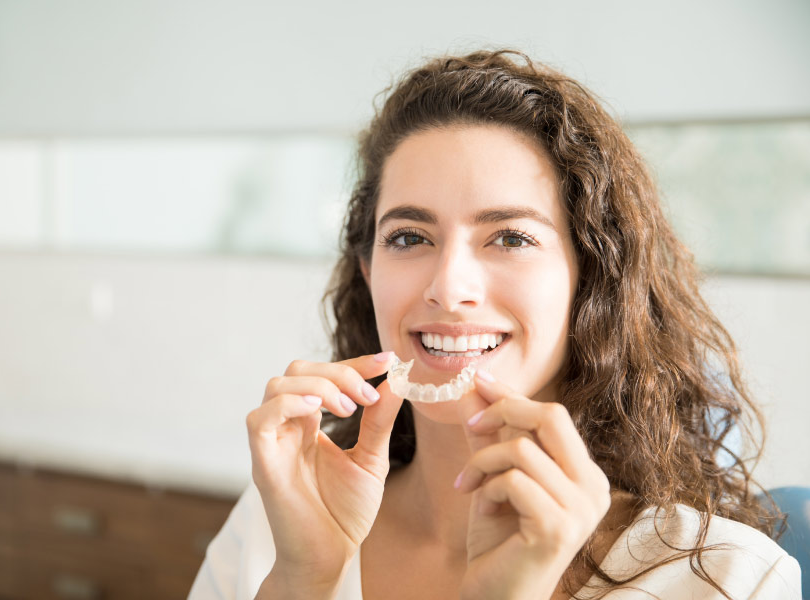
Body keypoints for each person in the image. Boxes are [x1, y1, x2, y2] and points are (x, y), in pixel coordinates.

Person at [188, 49, 801, 599]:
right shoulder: (278, 524)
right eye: (408, 236)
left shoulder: (726, 580)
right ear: (368, 271)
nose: (449, 289)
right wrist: (302, 582)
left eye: (510, 237)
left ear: (591, 279)